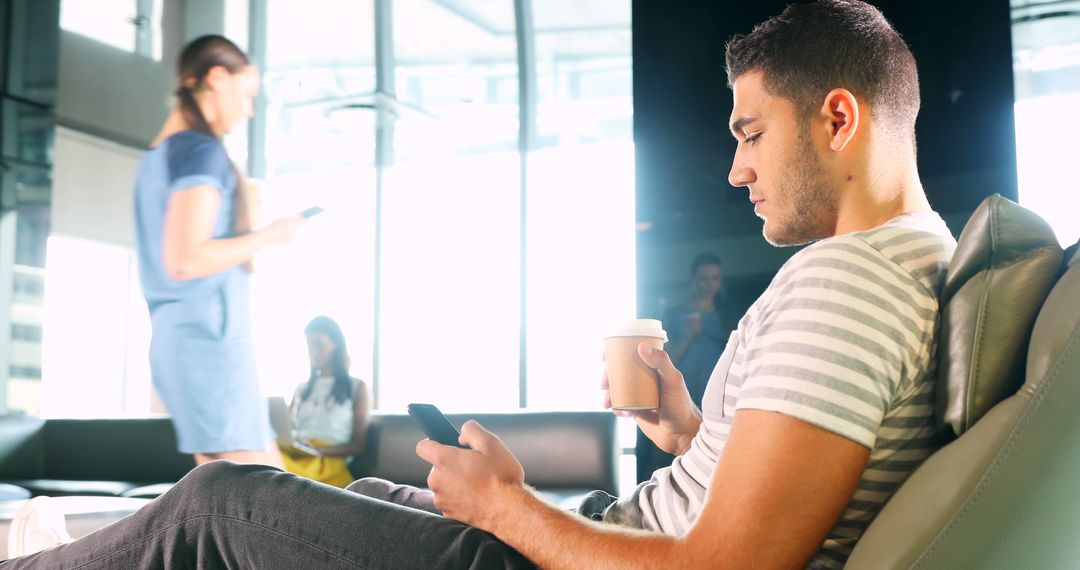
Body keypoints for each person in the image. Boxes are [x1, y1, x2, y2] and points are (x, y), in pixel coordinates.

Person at [3, 2, 957, 567]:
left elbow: (726, 566)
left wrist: (508, 508)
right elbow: (760, 504)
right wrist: (687, 433)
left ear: (839, 117)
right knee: (367, 486)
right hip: (589, 536)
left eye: (751, 133)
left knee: (222, 504)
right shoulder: (898, 263)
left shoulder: (850, 281)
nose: (736, 171)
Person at [134, 35, 305, 468]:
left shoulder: (159, 155)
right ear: (216, 78)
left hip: (186, 343)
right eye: (247, 95)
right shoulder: (199, 151)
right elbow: (187, 258)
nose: (248, 110)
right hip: (208, 346)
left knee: (226, 506)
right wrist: (271, 234)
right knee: (276, 504)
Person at [637, 252, 732, 481]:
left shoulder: (728, 317)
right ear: (693, 279)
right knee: (669, 466)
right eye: (703, 278)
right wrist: (688, 336)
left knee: (713, 465)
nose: (709, 284)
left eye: (714, 279)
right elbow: (661, 362)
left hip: (717, 401)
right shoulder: (672, 315)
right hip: (679, 396)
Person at [280, 316, 371, 487]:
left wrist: (318, 450)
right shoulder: (301, 390)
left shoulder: (357, 387)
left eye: (319, 345)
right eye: (309, 346)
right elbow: (289, 431)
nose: (313, 352)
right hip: (300, 455)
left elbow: (358, 445)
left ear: (336, 344)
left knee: (278, 468)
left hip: (329, 459)